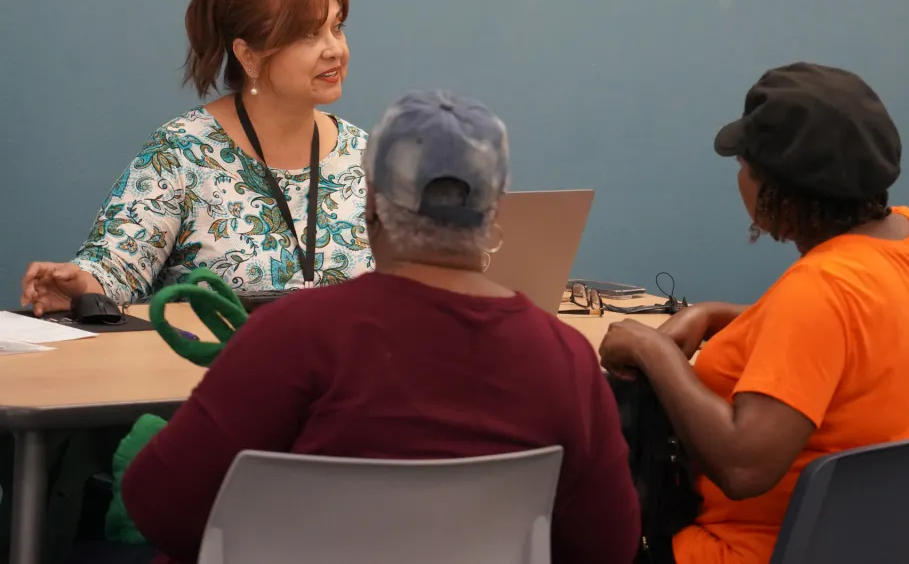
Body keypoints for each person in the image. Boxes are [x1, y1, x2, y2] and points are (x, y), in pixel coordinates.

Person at [120, 90, 640, 564]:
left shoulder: (292, 334)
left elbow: (159, 507)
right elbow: (608, 547)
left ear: (371, 204)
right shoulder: (566, 358)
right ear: (495, 209)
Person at [599, 63, 909, 564]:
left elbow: (745, 469)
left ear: (780, 190)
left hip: (764, 549)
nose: (740, 178)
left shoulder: (819, 289)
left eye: (746, 166)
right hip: (891, 542)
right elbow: (853, 333)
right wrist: (714, 313)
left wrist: (653, 351)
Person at [21, 0, 372, 312]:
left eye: (337, 27)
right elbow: (115, 267)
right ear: (248, 55)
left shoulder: (369, 158)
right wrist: (80, 285)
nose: (335, 50)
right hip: (214, 364)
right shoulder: (182, 152)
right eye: (309, 35)